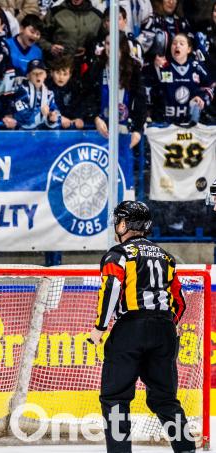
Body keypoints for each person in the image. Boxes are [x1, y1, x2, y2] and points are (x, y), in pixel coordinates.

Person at [88, 200, 196, 453]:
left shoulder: (118, 254)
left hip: (130, 330)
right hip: (165, 330)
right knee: (165, 399)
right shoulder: (167, 257)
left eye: (118, 221)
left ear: (124, 223)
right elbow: (178, 302)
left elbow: (111, 289)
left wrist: (100, 328)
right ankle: (186, 449)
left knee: (115, 399)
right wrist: (163, 325)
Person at [83, 34, 145, 147]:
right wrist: (95, 117)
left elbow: (141, 101)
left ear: (123, 46)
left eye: (114, 44)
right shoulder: (97, 67)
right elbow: (88, 96)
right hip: (100, 130)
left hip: (126, 130)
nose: (110, 47)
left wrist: (138, 129)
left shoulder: (134, 69)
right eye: (107, 43)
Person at [145, 33, 212, 124]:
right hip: (165, 123)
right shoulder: (161, 67)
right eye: (174, 43)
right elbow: (149, 91)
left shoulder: (196, 67)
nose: (177, 46)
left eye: (181, 43)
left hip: (192, 123)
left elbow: (210, 87)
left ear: (189, 49)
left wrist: (201, 98)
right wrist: (155, 68)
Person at [4, 58, 61, 129]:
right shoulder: (21, 91)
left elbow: (57, 116)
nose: (38, 76)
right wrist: (41, 113)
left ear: (45, 75)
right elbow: (23, 118)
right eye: (34, 73)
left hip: (41, 134)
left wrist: (52, 118)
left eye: (41, 73)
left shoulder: (49, 94)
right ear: (28, 76)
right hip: (22, 134)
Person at [46, 56, 85, 129]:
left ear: (70, 75)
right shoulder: (45, 87)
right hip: (50, 126)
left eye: (65, 74)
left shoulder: (74, 88)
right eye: (58, 73)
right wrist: (59, 118)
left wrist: (78, 118)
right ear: (51, 73)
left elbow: (78, 106)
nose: (61, 77)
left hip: (69, 124)